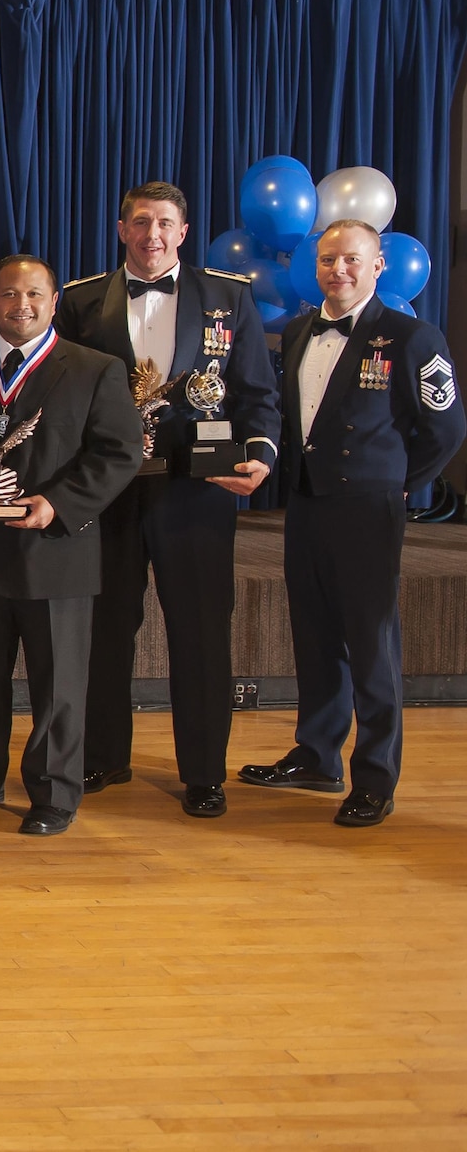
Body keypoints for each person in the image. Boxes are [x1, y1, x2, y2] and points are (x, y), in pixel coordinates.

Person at [55, 182, 280, 818]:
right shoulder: (78, 302)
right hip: (108, 493)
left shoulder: (229, 298)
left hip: (196, 489)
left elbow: (256, 394)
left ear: (182, 232)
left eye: (165, 224)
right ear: (121, 228)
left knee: (202, 633)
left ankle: (205, 773)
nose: (152, 235)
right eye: (140, 223)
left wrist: (260, 454)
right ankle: (103, 755)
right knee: (104, 629)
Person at [238, 220, 465, 826]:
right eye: (328, 260)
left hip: (369, 510)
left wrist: (392, 479)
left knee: (370, 645)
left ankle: (375, 776)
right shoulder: (301, 330)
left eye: (351, 261)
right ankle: (317, 755)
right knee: (313, 635)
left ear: (378, 266)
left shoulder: (413, 337)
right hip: (307, 503)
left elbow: (446, 431)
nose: (338, 270)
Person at [0, 255, 143, 836]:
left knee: (59, 684)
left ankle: (53, 791)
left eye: (34, 295)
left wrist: (60, 503)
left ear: (53, 303)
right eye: (8, 294)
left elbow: (121, 452)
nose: (20, 305)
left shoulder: (95, 369)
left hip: (55, 549)